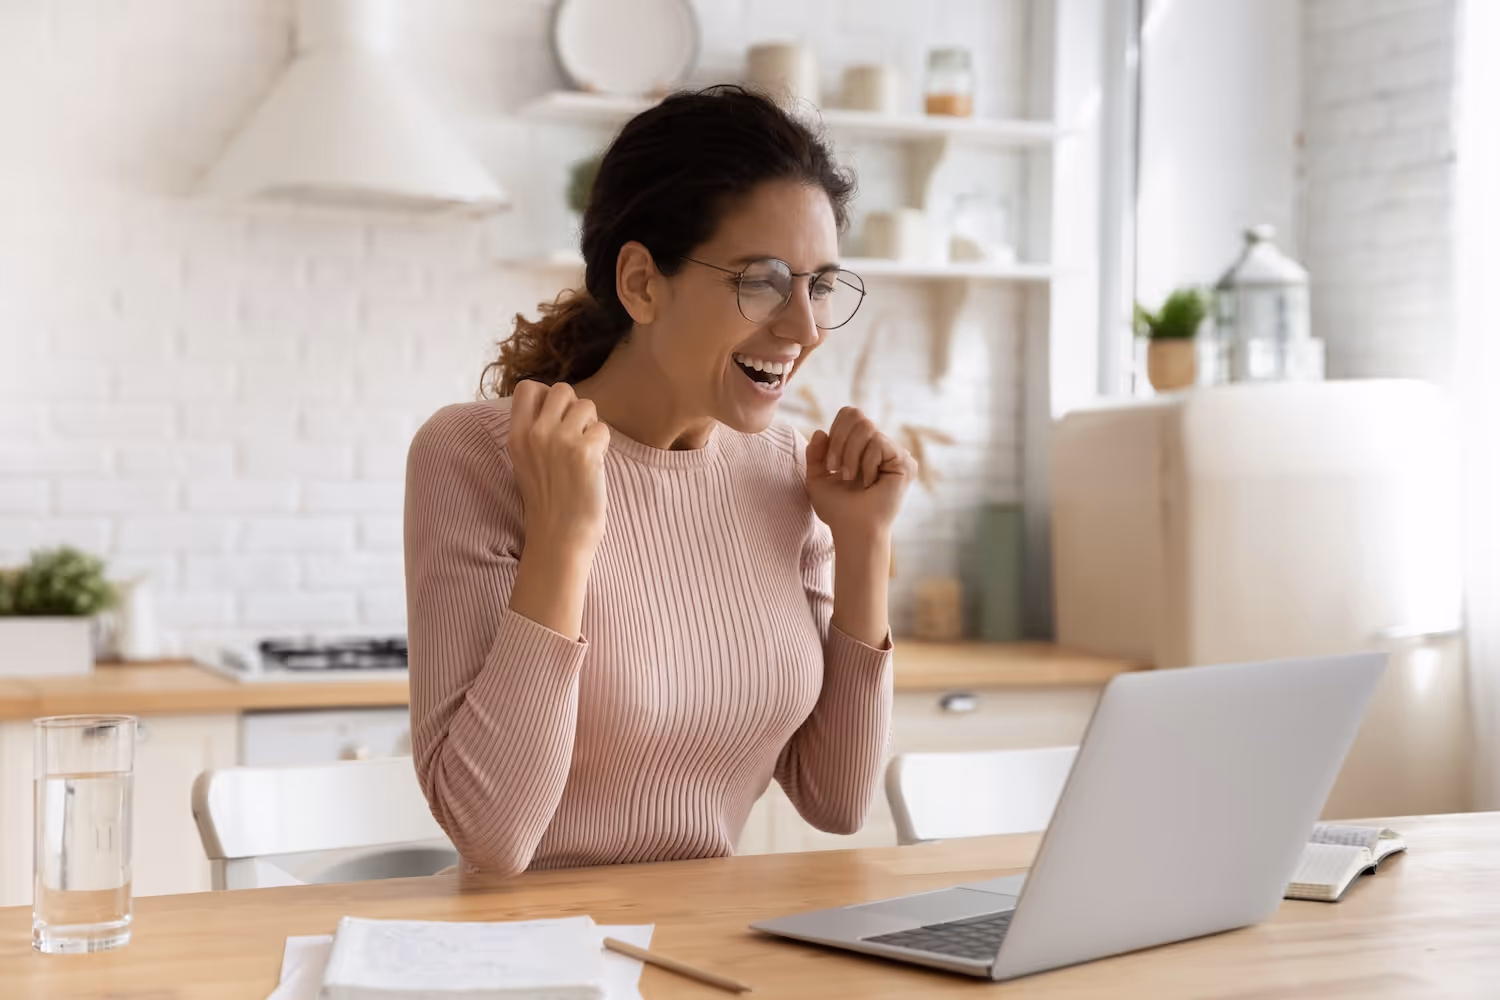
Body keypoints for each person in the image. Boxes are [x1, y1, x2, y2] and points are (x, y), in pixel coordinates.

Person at [404, 86, 917, 876]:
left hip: (709, 953)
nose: (804, 328)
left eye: (817, 286)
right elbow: (493, 835)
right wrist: (565, 540)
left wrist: (863, 542)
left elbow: (836, 798)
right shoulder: (478, 455)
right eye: (763, 281)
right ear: (643, 282)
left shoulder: (784, 473)